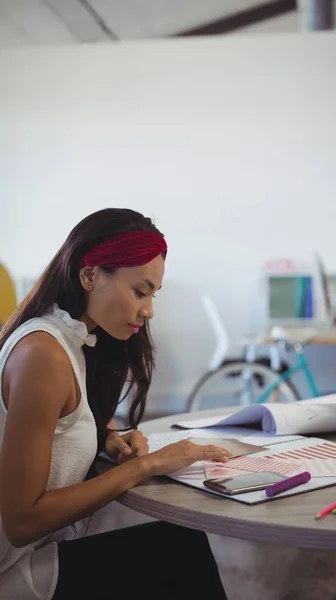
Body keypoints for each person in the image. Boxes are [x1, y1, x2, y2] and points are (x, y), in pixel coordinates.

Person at [0, 208, 231, 600]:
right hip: (10, 572)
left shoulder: (68, 340)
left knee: (180, 546)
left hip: (22, 557)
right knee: (181, 553)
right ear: (89, 275)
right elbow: (21, 522)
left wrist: (106, 437)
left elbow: (60, 422)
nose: (149, 310)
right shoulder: (43, 354)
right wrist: (147, 465)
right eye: (140, 291)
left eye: (153, 294)